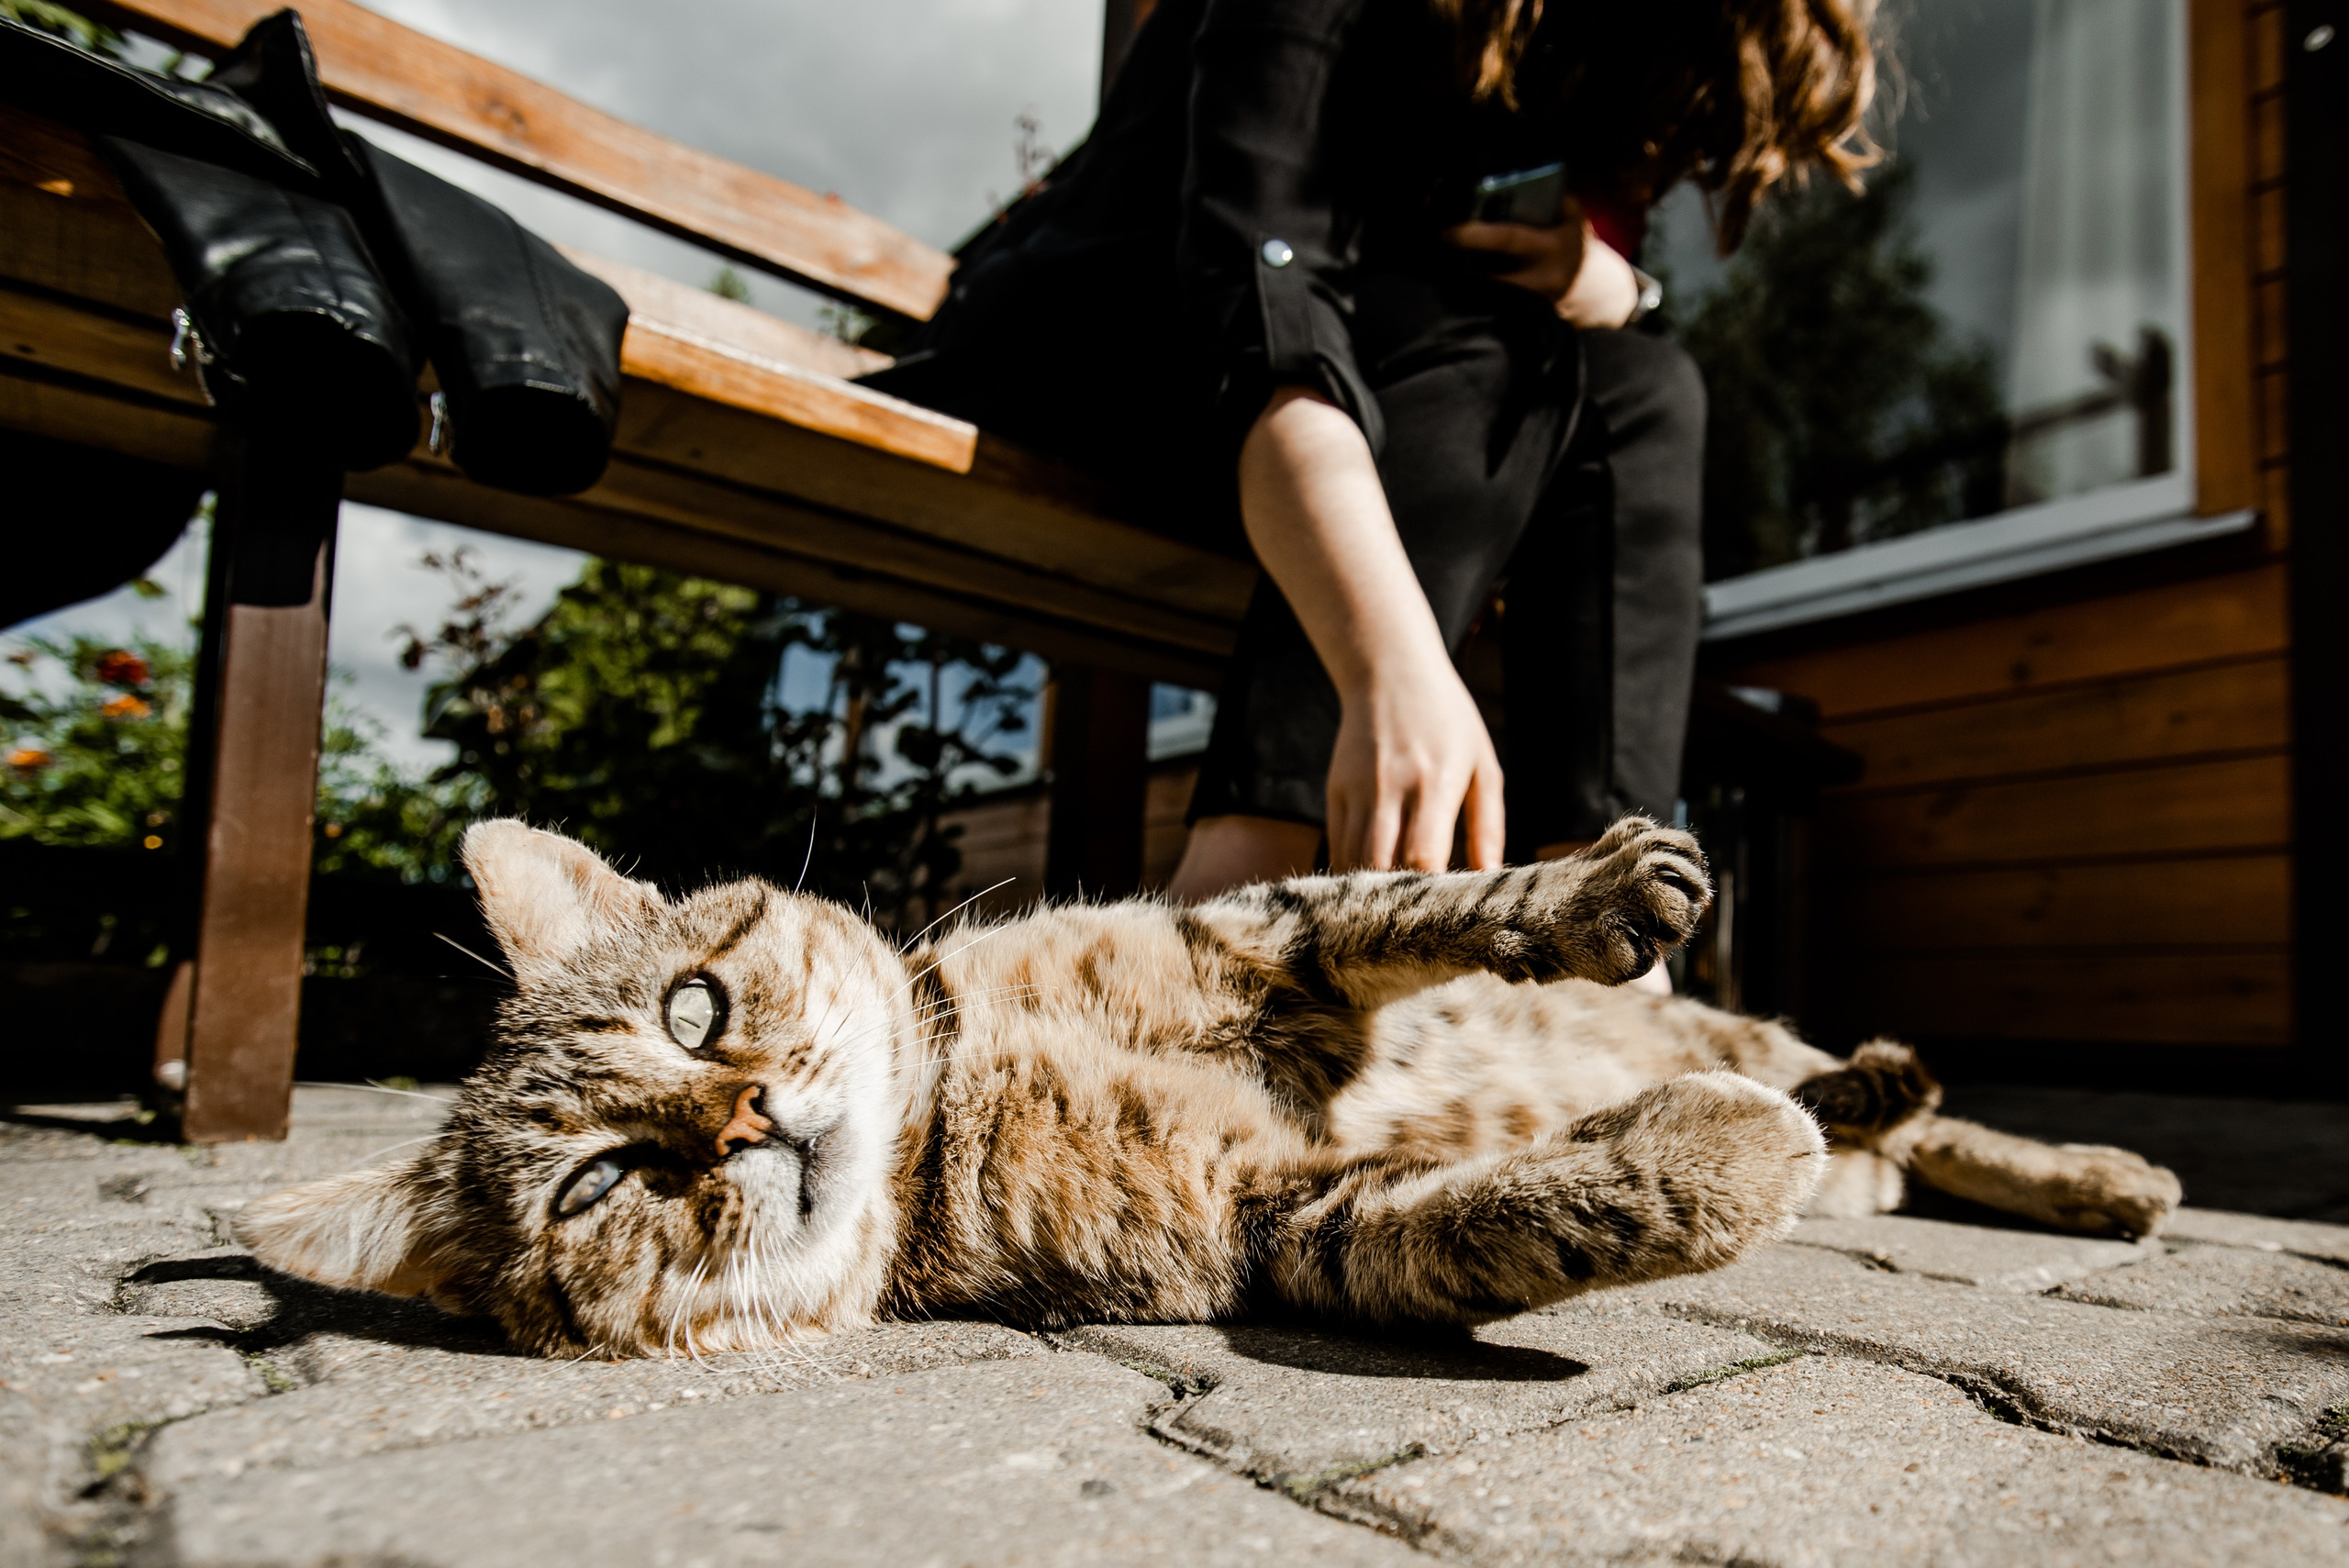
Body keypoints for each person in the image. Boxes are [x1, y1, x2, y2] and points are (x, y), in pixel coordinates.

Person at [865, 0, 1877, 914]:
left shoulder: (1586, 45)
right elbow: (1275, 330)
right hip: (1090, 359)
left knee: (1649, 387)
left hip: (1351, 417)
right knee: (1499, 348)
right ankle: (1239, 882)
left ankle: (1606, 930)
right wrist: (1391, 665)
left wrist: (1609, 282)